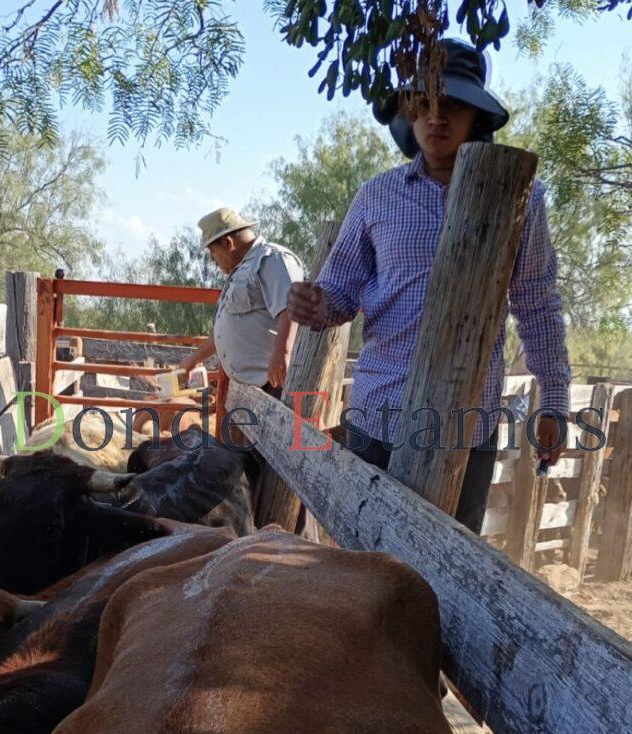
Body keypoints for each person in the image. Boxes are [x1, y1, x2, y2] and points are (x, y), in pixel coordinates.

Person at [286, 39, 571, 534]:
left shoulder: (519, 195)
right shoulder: (377, 197)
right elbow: (339, 295)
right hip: (378, 416)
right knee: (360, 558)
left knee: (449, 574)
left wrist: (555, 399)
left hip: (466, 424)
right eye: (423, 105)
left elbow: (536, 302)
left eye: (453, 105)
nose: (436, 118)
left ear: (476, 115)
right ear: (408, 114)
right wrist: (313, 304)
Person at [179, 208, 303, 397]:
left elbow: (292, 307)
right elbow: (227, 329)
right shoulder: (242, 270)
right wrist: (194, 359)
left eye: (213, 251)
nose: (212, 259)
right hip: (249, 388)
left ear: (228, 243)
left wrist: (283, 352)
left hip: (274, 383)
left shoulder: (272, 259)